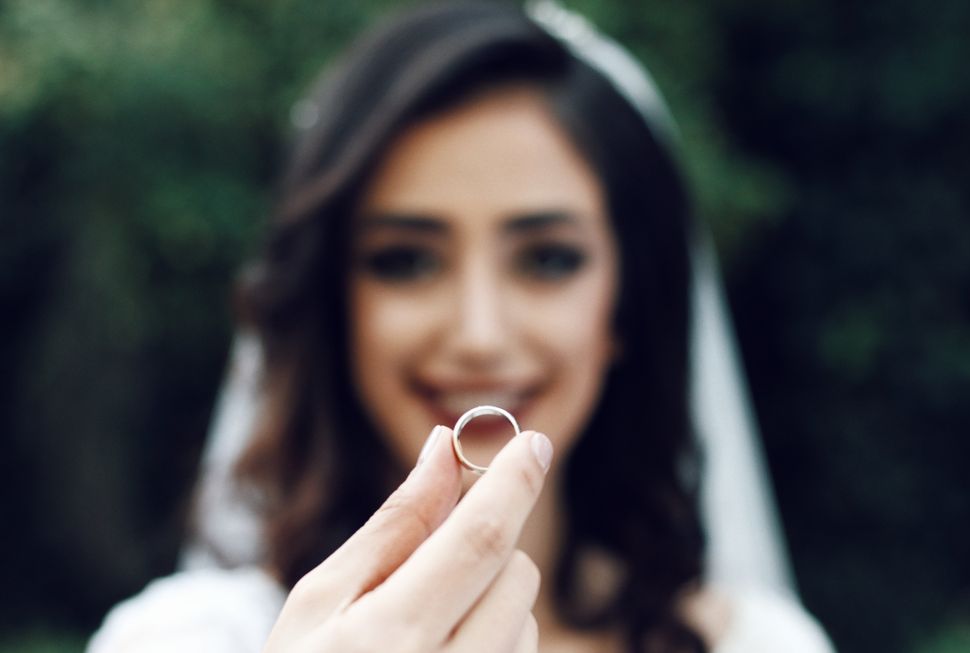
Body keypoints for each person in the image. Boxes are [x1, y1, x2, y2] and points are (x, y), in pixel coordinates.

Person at [89, 1, 835, 652]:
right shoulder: (180, 641)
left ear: (626, 305)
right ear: (334, 302)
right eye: (405, 260)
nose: (479, 334)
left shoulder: (759, 644)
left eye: (548, 259)